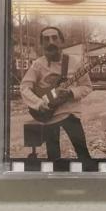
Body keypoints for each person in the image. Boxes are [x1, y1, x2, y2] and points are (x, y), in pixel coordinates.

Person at [20, 26, 93, 161]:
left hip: (70, 114)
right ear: (41, 44)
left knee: (83, 153)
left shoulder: (75, 62)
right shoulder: (38, 65)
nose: (51, 42)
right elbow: (24, 87)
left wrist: (71, 92)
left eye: (54, 38)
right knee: (53, 157)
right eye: (46, 39)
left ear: (62, 41)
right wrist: (39, 103)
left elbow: (87, 86)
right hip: (49, 116)